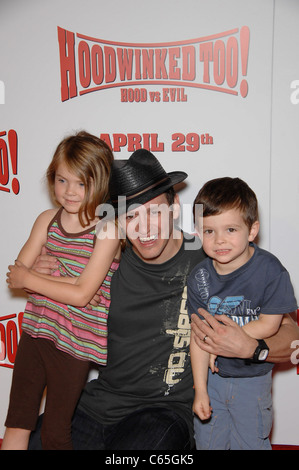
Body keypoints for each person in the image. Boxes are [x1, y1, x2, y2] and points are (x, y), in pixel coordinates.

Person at [28, 152, 299, 450]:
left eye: (154, 213)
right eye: (130, 215)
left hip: (166, 413)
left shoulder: (212, 260)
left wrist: (253, 347)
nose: (144, 228)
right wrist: (44, 276)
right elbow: (50, 291)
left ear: (174, 209)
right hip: (99, 405)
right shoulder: (102, 264)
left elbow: (291, 336)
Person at [2, 132, 121, 450]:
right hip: (35, 333)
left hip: (75, 343)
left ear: (101, 182)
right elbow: (16, 277)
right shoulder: (46, 220)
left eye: (81, 183)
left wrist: (37, 279)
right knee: (17, 424)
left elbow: (82, 295)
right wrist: (65, 283)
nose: (70, 191)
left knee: (55, 432)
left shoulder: (107, 230)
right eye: (62, 180)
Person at [187, 177, 298, 450]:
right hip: (212, 380)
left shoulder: (270, 271)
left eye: (231, 229)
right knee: (208, 443)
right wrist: (200, 389)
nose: (219, 239)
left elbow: (271, 324)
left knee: (249, 444)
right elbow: (198, 336)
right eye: (209, 231)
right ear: (198, 233)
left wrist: (222, 340)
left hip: (252, 381)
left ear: (252, 230)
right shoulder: (199, 276)